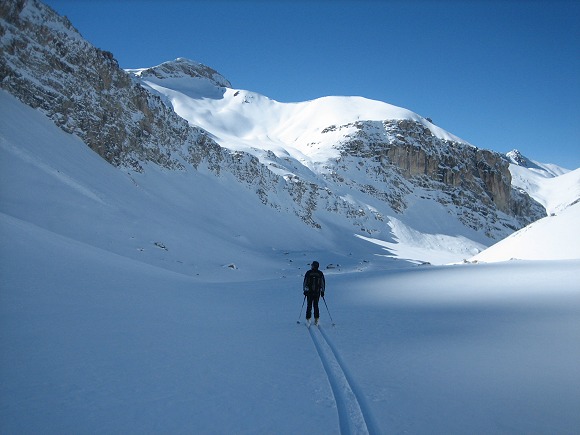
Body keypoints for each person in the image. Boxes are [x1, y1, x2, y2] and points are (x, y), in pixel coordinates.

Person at [303, 261, 325, 325]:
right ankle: (309, 318)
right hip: (310, 292)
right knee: (311, 305)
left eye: (312, 265)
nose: (311, 266)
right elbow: (305, 282)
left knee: (314, 305)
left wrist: (322, 291)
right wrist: (305, 290)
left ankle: (316, 319)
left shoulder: (319, 273)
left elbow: (322, 283)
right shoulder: (309, 273)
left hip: (316, 292)